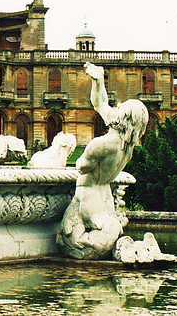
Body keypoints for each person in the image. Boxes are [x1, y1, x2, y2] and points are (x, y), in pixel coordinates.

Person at [57, 62, 148, 259]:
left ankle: (83, 258)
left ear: (122, 117)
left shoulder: (101, 144)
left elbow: (81, 166)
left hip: (89, 194)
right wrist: (98, 80)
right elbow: (100, 104)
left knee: (102, 231)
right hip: (105, 192)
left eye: (120, 107)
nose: (116, 107)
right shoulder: (126, 148)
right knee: (110, 225)